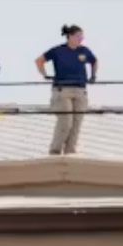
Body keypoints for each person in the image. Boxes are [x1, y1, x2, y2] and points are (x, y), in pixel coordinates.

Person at [36, 24, 98, 155]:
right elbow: (39, 60)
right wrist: (45, 75)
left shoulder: (84, 51)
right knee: (66, 121)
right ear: (70, 36)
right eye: (78, 36)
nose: (80, 39)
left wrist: (93, 75)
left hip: (80, 90)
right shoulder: (58, 50)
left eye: (82, 36)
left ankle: (70, 151)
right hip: (63, 90)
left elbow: (94, 61)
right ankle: (55, 150)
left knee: (76, 123)